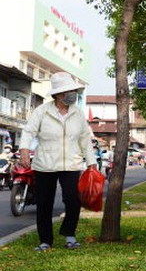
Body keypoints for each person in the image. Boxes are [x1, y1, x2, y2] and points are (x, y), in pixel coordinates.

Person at [18, 72, 97, 251]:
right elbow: (28, 131)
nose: (73, 94)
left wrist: (91, 162)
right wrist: (24, 150)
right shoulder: (42, 111)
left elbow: (85, 138)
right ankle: (45, 241)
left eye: (73, 91)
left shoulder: (77, 113)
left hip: (71, 164)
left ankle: (69, 235)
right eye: (68, 91)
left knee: (73, 200)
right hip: (45, 164)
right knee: (44, 203)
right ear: (58, 94)